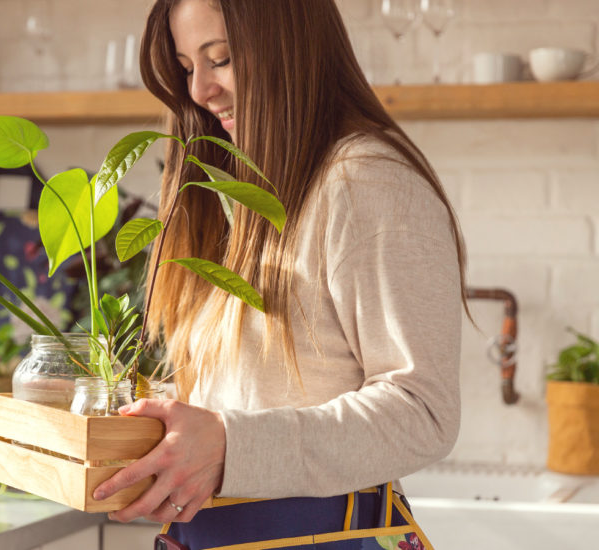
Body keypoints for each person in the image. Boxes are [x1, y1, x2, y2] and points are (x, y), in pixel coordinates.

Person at [91, 0, 468, 548]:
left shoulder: (365, 182)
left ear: (290, 47)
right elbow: (259, 388)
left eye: (219, 58)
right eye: (188, 67)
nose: (199, 91)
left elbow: (424, 412)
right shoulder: (244, 190)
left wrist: (228, 444)